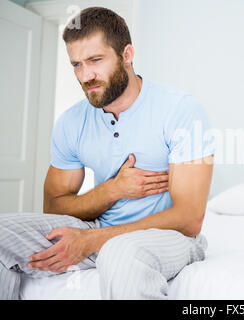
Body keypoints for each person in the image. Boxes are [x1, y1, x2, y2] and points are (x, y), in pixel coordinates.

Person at [0, 6, 215, 300]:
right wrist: (112, 190)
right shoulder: (71, 122)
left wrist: (92, 239)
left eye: (95, 60)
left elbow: (190, 218)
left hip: (170, 239)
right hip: (99, 228)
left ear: (127, 55)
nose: (85, 75)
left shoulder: (180, 110)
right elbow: (54, 206)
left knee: (120, 251)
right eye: (76, 64)